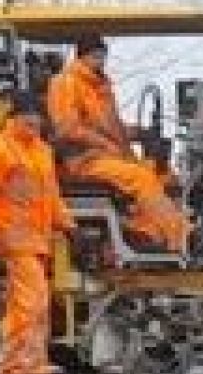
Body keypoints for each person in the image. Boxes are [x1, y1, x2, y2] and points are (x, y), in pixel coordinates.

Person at [0, 92, 75, 374]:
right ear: (14, 116)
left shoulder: (41, 150)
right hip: (14, 240)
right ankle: (24, 368)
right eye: (28, 114)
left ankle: (22, 366)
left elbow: (50, 195)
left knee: (28, 304)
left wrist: (67, 224)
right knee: (33, 301)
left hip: (37, 240)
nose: (35, 120)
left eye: (38, 115)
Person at [46, 33, 189, 252]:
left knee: (160, 173)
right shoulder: (65, 83)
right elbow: (67, 129)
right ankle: (173, 240)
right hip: (82, 160)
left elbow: (113, 128)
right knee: (139, 177)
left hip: (108, 156)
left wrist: (141, 133)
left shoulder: (100, 87)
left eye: (103, 55)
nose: (101, 60)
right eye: (96, 55)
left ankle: (154, 230)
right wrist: (103, 144)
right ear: (82, 56)